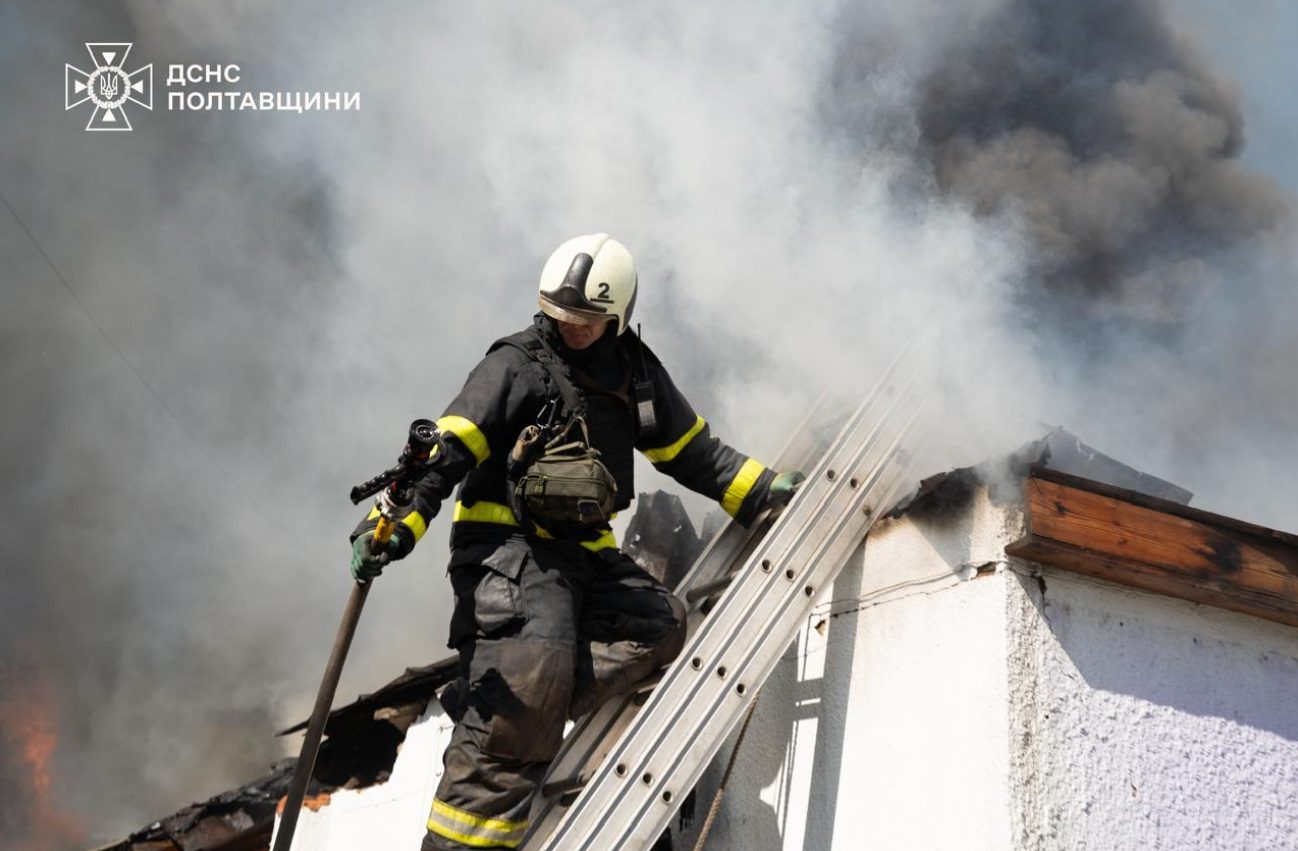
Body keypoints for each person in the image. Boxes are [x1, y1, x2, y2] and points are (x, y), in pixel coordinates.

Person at [349, 233, 804, 850]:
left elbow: (692, 452)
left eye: (586, 320)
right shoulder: (515, 364)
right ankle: (500, 734)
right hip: (510, 555)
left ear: (616, 316)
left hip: (584, 557)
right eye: (559, 314)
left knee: (660, 622)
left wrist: (765, 490)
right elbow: (449, 446)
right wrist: (398, 522)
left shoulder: (635, 375)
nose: (570, 327)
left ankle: (511, 699)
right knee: (520, 713)